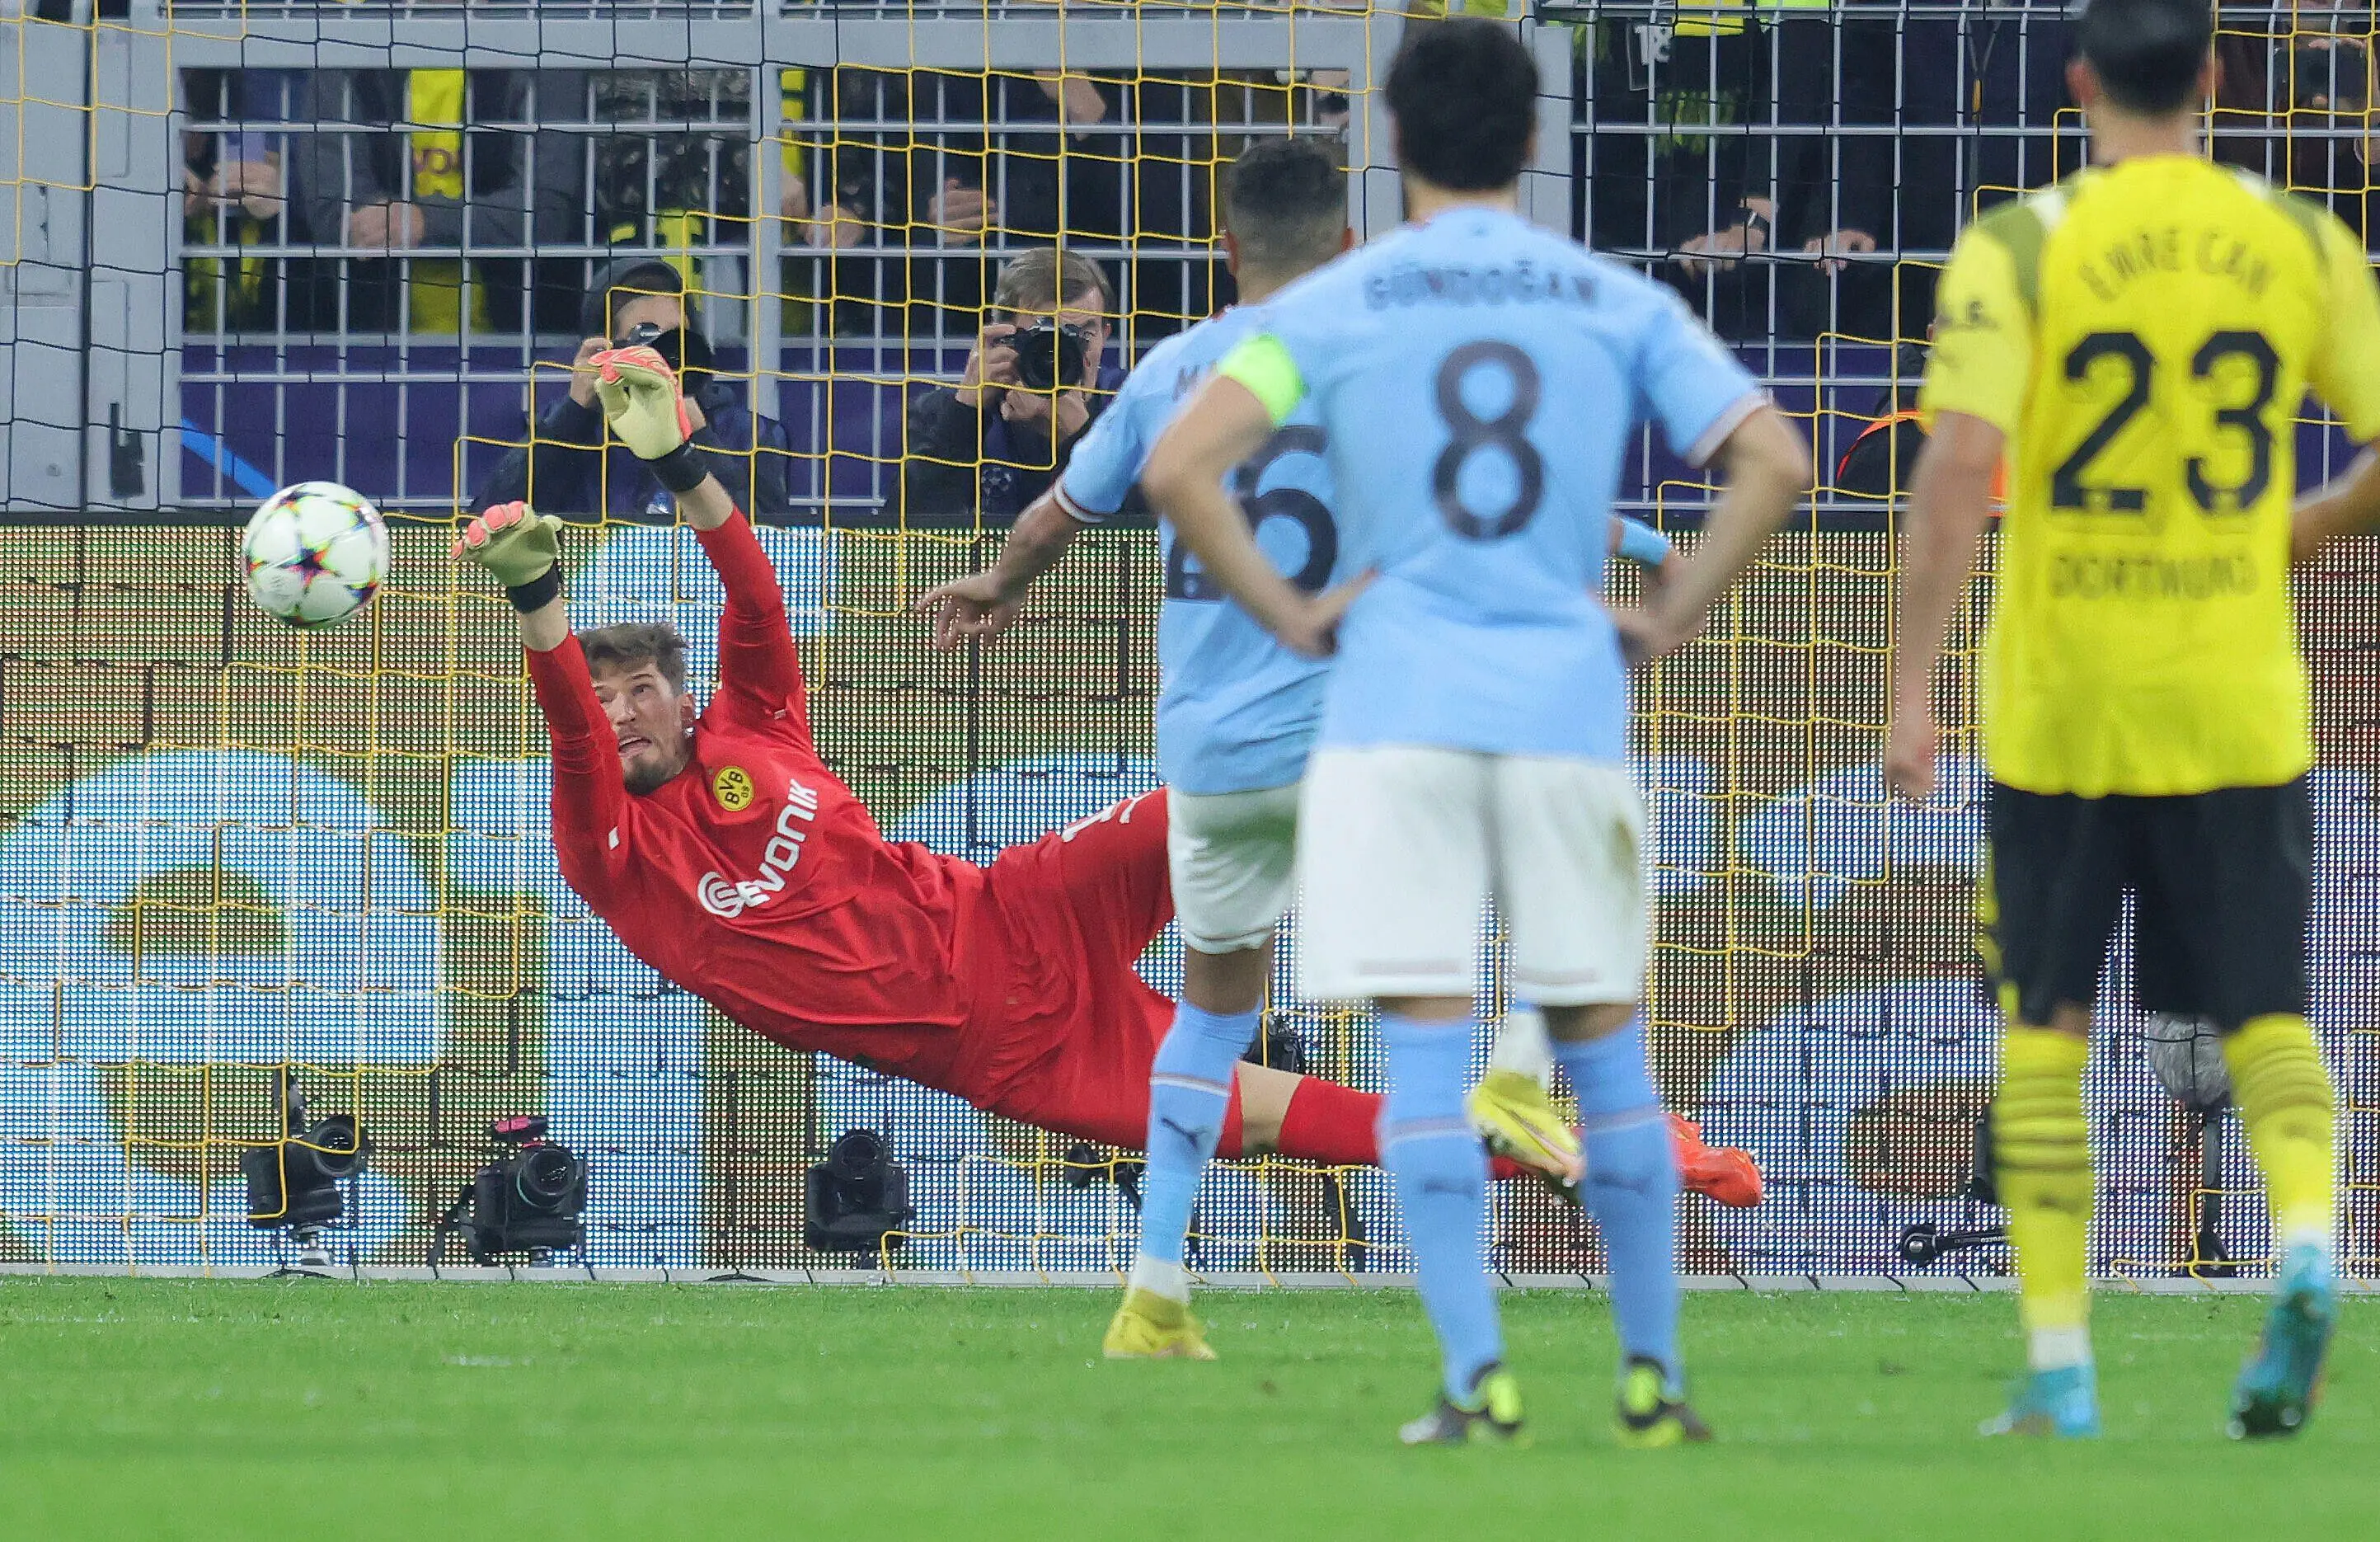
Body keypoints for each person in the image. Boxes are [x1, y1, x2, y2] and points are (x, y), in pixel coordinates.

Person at [917, 136, 1757, 1361]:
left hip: (1212, 761)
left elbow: (1056, 513)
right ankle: (1517, 1079)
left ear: (1224, 248)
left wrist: (996, 584)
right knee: (1571, 848)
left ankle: (1154, 1293)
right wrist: (1640, 551)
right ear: (1350, 246)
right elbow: (1498, 495)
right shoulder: (1383, 357)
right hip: (1361, 735)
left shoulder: (1169, 372)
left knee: (1210, 1019)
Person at [448, 344, 1589, 1237]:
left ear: (682, 697)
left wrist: (678, 460)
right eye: (604, 695)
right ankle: (1597, 1148)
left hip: (1021, 908)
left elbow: (755, 602)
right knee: (1304, 1122)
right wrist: (540, 605)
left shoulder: (754, 726)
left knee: (1236, 795)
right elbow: (573, 739)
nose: (620, 711)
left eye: (641, 688)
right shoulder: (607, 850)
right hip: (1022, 1059)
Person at [1140, 21, 1809, 1445]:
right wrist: (1671, 613)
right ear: (1531, 140)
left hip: (1395, 720)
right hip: (1565, 710)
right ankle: (1650, 1379)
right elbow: (1773, 458)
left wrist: (1295, 614)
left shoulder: (1339, 302)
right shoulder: (1608, 297)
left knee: (1425, 1061)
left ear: (1391, 143)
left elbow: (1181, 465)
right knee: (1606, 1057)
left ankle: (1472, 1378)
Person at [1886, 0, 2375, 1441]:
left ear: (2078, 82)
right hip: (2233, 696)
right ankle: (2305, 1247)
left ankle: (2057, 1367)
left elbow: (1955, 466)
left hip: (2061, 704)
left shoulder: (2018, 245)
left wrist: (1909, 686)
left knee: (2043, 1032)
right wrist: (2301, 529)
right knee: (2267, 1014)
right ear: (2214, 76)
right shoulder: (2298, 239)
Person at [473, 256, 796, 523]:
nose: (662, 355)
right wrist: (572, 416)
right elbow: (486, 531)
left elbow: (772, 549)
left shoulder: (750, 435)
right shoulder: (569, 432)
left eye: (676, 337)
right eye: (648, 337)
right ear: (606, 348)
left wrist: (700, 437)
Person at [885, 248, 1126, 522]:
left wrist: (1079, 436)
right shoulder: (938, 413)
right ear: (1003, 334)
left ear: (1105, 334)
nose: (1061, 352)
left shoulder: (1129, 409)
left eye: (1083, 335)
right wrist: (964, 414)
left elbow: (1152, 531)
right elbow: (903, 532)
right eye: (1045, 334)